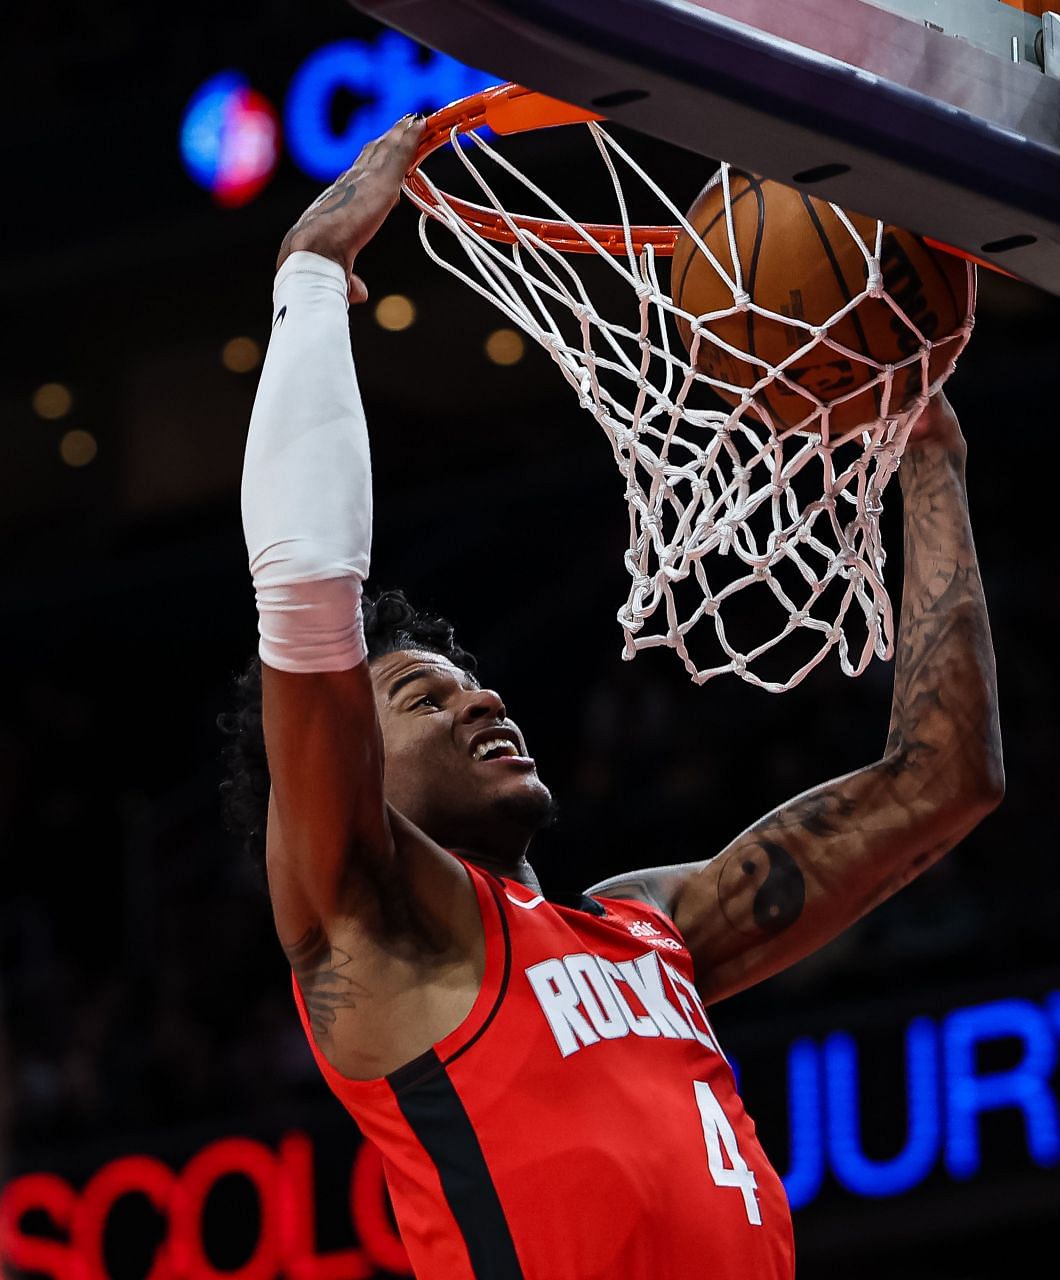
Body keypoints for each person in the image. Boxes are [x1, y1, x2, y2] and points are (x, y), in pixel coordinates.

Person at [219, 115, 1003, 1279]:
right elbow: (306, 597)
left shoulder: (650, 929)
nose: (482, 701)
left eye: (472, 681)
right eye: (425, 698)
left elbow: (945, 778)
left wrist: (926, 451)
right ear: (353, 770)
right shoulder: (377, 929)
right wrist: (314, 280)